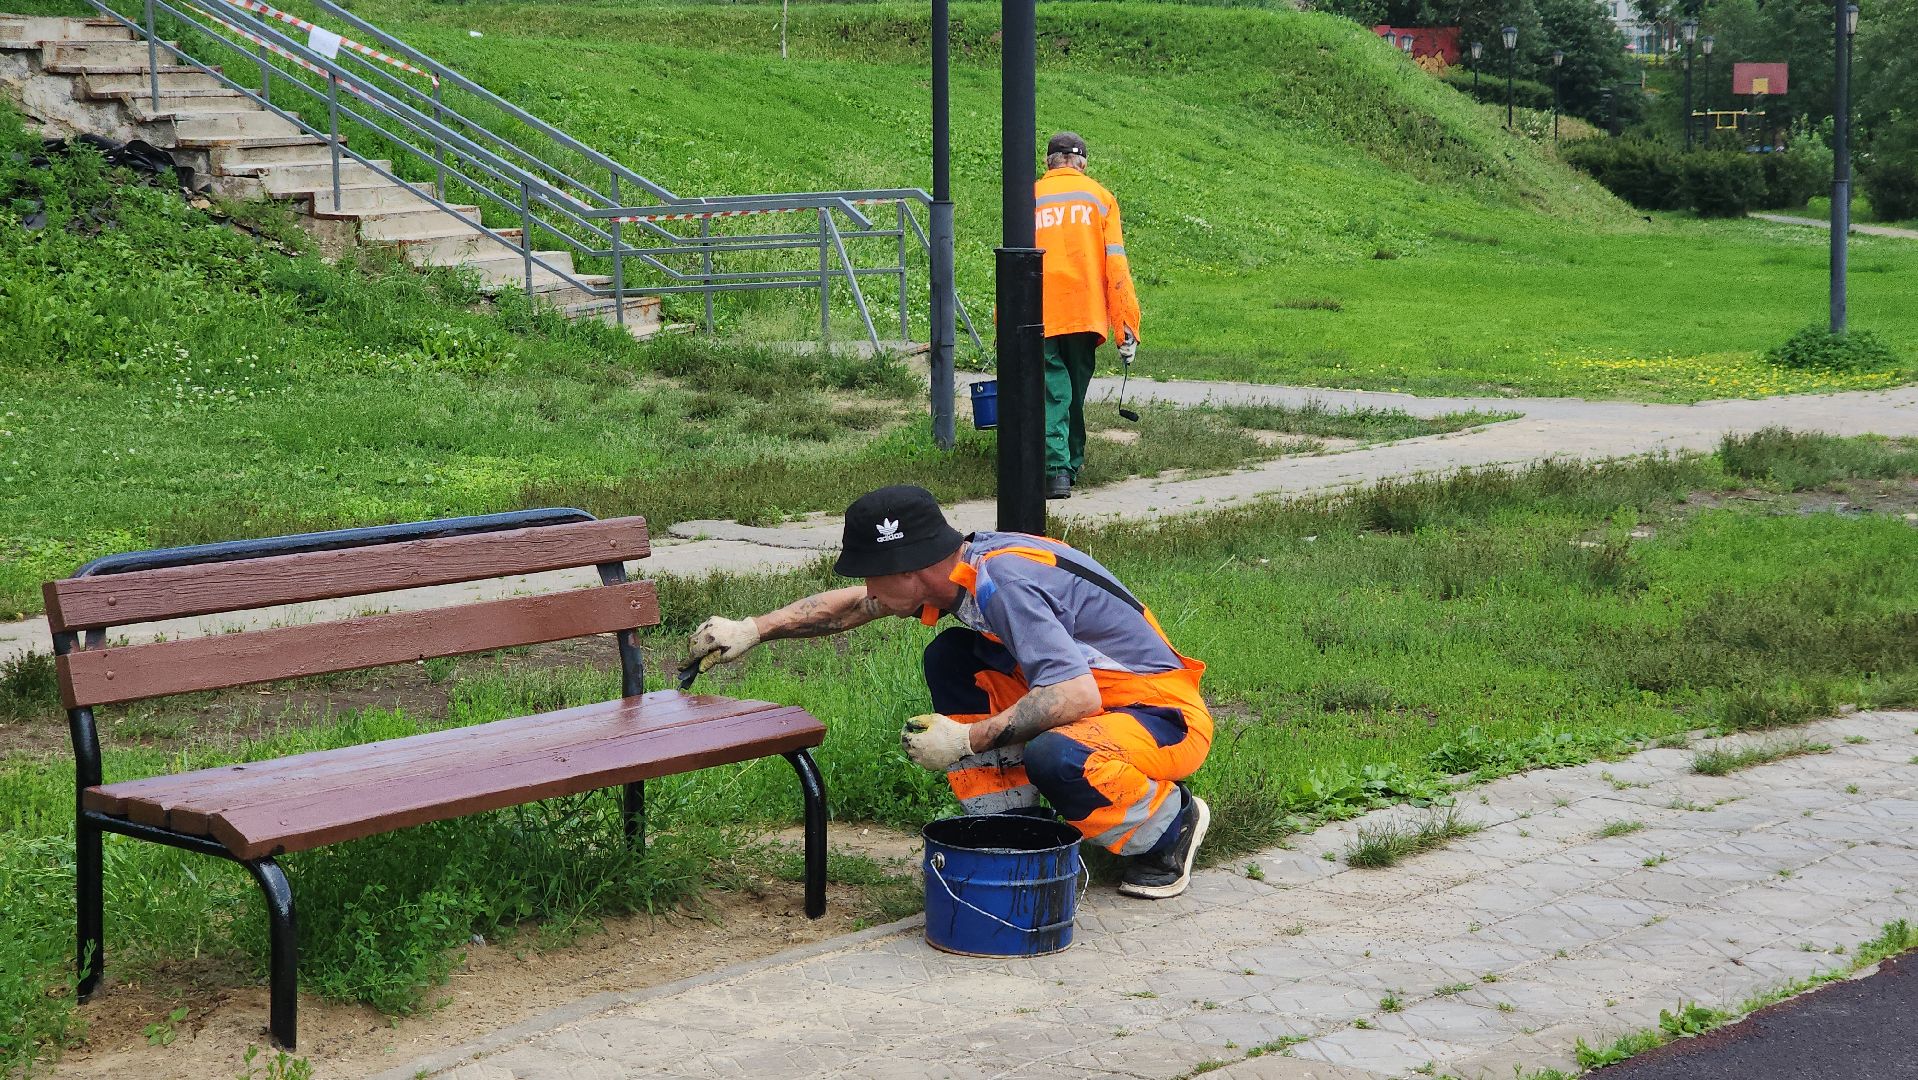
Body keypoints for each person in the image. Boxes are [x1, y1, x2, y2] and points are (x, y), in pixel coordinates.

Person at [685, 485, 1212, 899]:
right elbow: (853, 607)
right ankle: (1014, 827)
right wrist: (753, 629)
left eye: (872, 576)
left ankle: (1167, 828)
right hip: (1095, 695)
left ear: (910, 572)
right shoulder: (962, 567)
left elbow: (1075, 697)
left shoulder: (1005, 583)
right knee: (954, 657)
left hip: (1160, 715)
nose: (868, 590)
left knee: (1058, 756)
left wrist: (965, 740)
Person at [1034, 131, 1142, 500]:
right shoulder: (1100, 198)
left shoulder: (1029, 196)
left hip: (1039, 311)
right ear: (1082, 163)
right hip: (1085, 313)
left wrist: (1004, 319)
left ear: (1048, 162)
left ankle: (1056, 470)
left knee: (1053, 389)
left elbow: (1013, 260)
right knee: (1072, 390)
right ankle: (1068, 465)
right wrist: (1126, 326)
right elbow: (1116, 266)